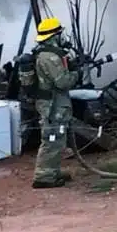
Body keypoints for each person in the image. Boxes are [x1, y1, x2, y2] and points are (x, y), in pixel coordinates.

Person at [30, 17, 82, 189]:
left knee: (58, 139)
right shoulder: (50, 58)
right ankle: (44, 176)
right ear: (53, 36)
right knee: (52, 139)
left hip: (53, 104)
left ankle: (52, 171)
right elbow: (63, 82)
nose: (62, 37)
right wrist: (77, 73)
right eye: (60, 33)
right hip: (53, 107)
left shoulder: (47, 54)